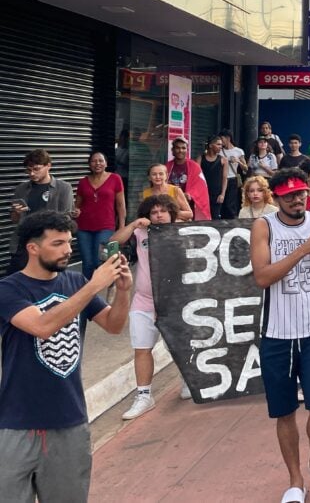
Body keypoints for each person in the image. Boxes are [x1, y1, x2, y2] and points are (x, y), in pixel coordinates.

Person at [0, 210, 132, 502]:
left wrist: (122, 291)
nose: (68, 250)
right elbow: (42, 327)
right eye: (58, 243)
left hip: (69, 419)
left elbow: (113, 325)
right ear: (33, 248)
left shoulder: (74, 283)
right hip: (15, 423)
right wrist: (96, 284)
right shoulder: (8, 290)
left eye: (70, 242)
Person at [249, 169, 310, 503]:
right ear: (276, 197)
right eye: (290, 194)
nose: (298, 199)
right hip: (277, 333)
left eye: (302, 192)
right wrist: (302, 251)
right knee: (284, 411)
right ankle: (295, 479)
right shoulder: (264, 226)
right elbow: (262, 277)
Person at [112, 195, 190, 419]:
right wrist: (134, 224)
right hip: (144, 301)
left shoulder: (185, 231)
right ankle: (144, 395)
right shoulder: (140, 233)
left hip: (174, 301)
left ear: (171, 213)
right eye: (153, 212)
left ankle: (188, 380)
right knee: (142, 348)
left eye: (162, 211)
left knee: (179, 346)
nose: (158, 215)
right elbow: (113, 243)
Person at [9, 149, 74, 274]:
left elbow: (66, 220)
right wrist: (16, 212)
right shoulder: (21, 189)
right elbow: (14, 220)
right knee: (16, 279)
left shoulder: (63, 188)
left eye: (36, 169)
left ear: (48, 166)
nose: (32, 173)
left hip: (49, 244)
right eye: (28, 170)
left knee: (47, 280)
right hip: (24, 243)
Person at [73, 150, 126, 279]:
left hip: (106, 227)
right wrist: (75, 212)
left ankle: (111, 284)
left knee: (100, 260)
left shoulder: (115, 179)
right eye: (94, 161)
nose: (97, 163)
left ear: (106, 163)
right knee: (87, 263)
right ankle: (87, 293)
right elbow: (77, 205)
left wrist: (122, 227)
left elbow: (120, 205)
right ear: (89, 164)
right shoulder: (83, 182)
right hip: (84, 227)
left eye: (101, 161)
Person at [166, 136, 211, 221]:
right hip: (170, 205)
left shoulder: (194, 166)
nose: (181, 150)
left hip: (188, 206)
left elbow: (201, 186)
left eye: (183, 148)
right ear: (172, 150)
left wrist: (189, 194)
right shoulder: (167, 166)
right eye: (177, 148)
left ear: (187, 150)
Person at [219, 129, 248, 219]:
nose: (220, 141)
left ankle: (231, 221)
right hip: (221, 179)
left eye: (222, 138)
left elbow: (245, 168)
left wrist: (238, 161)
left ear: (228, 138)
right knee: (221, 203)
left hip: (232, 179)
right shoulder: (219, 151)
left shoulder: (238, 151)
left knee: (230, 203)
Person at [197, 136, 228, 219]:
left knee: (215, 218)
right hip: (203, 194)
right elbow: (196, 177)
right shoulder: (201, 158)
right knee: (202, 217)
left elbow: (225, 179)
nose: (220, 147)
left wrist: (222, 194)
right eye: (218, 144)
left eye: (221, 145)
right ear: (211, 145)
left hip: (216, 195)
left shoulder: (223, 160)